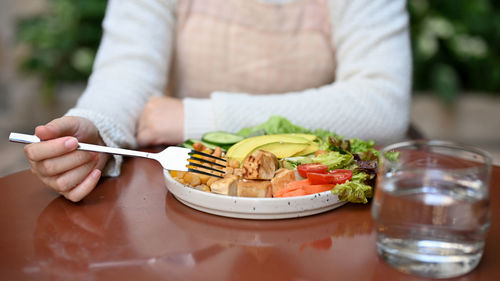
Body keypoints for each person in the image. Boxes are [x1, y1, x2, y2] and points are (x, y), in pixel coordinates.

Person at [23, 0, 412, 202]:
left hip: (315, 205)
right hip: (189, 205)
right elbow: (125, 74)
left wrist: (195, 118)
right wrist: (96, 128)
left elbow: (381, 104)